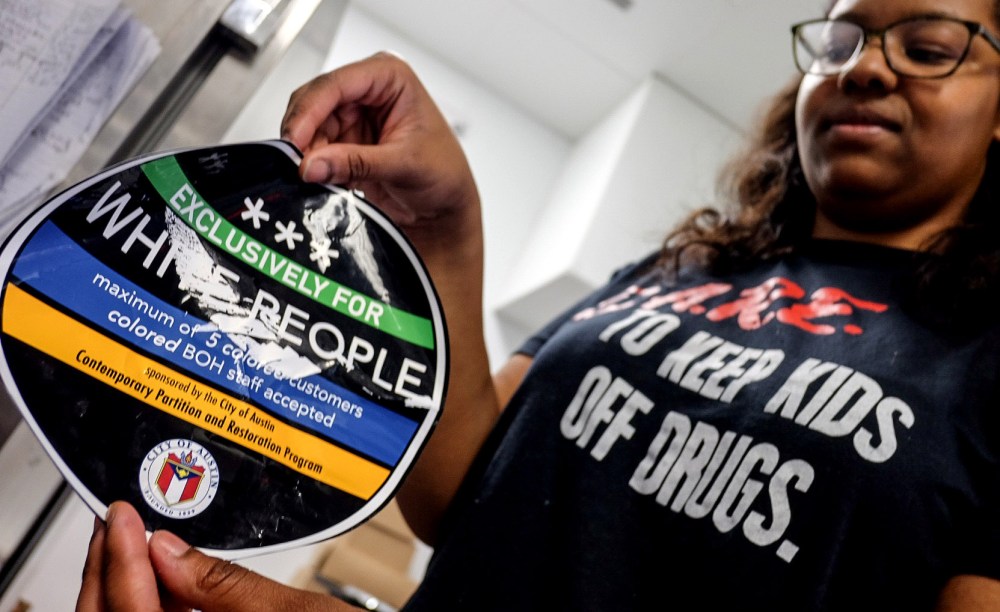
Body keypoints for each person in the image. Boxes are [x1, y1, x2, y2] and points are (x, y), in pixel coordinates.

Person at [77, 0, 1000, 608]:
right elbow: (460, 494)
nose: (864, 69)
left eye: (927, 47)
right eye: (837, 43)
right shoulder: (678, 272)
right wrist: (445, 228)